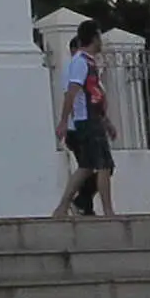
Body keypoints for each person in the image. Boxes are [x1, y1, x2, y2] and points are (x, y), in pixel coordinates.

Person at [56, 20, 117, 215]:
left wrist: (106, 122)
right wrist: (64, 121)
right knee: (104, 166)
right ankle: (108, 211)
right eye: (99, 36)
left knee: (87, 166)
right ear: (93, 37)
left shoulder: (88, 62)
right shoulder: (80, 63)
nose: (101, 41)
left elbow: (95, 95)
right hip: (87, 121)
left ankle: (63, 207)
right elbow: (71, 93)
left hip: (93, 119)